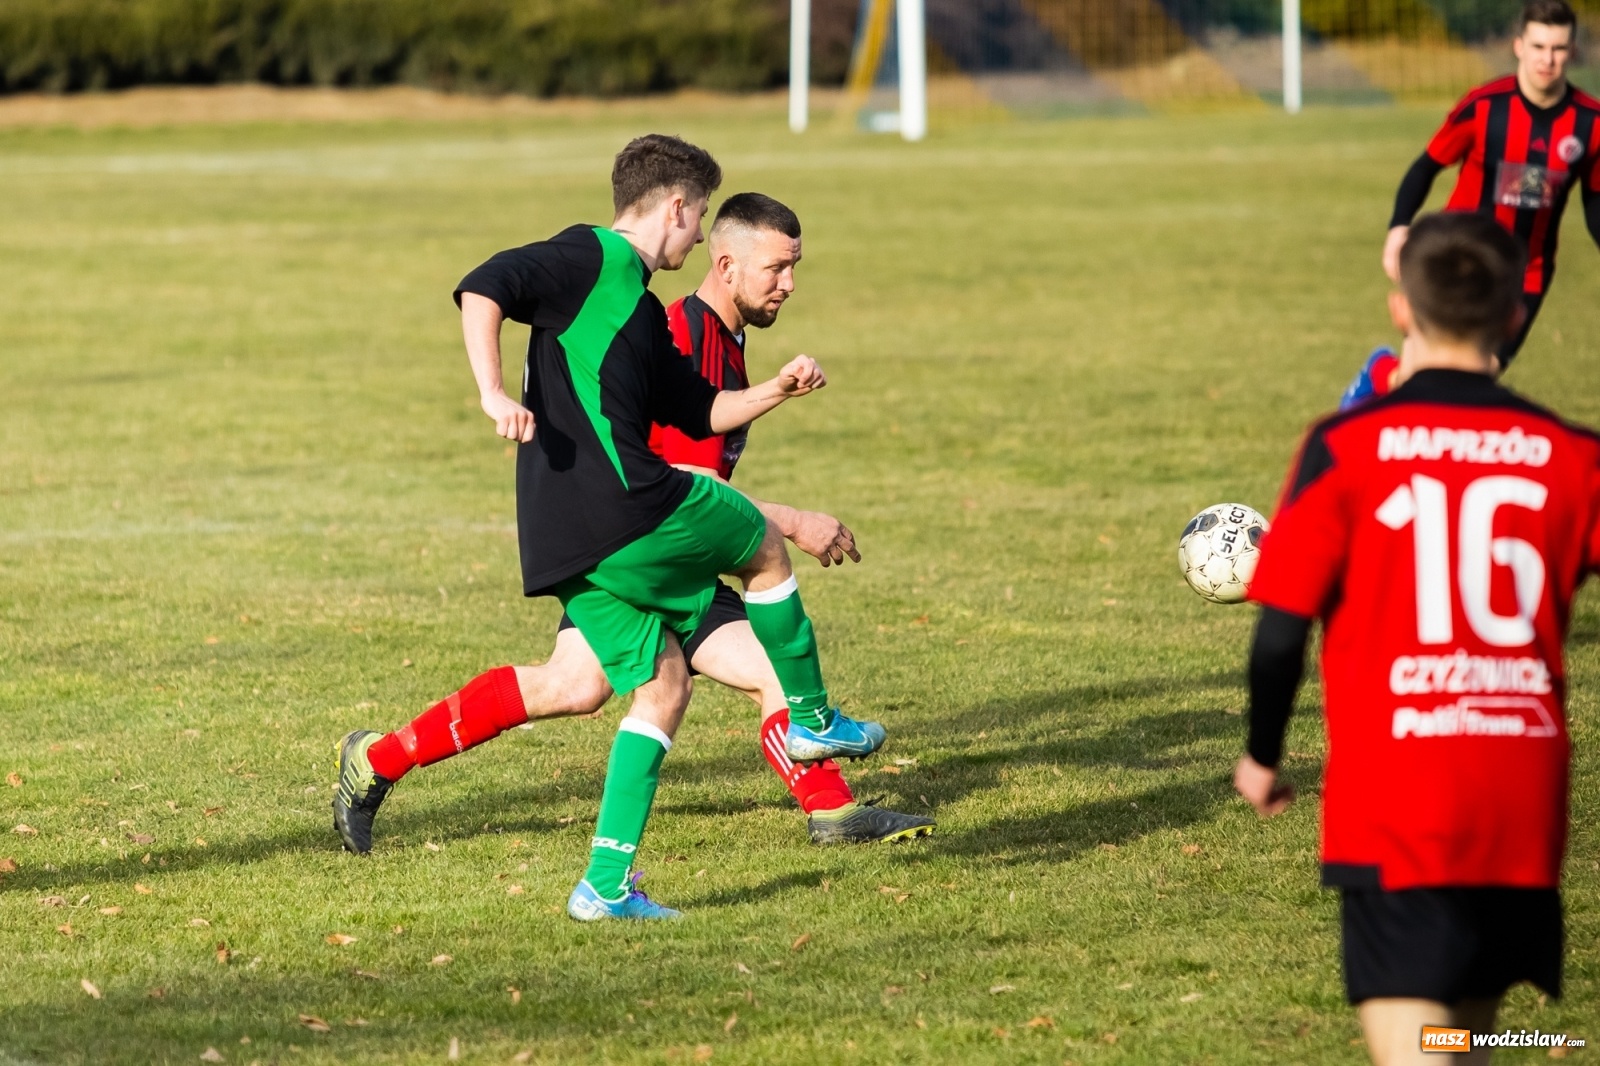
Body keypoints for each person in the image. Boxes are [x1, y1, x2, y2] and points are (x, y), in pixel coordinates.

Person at [333, 135, 889, 921]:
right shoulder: (589, 258)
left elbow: (699, 408)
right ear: (676, 206)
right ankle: (812, 723)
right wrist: (492, 393)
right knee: (762, 542)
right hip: (626, 506)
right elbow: (483, 286)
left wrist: (774, 388)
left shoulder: (638, 309)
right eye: (698, 221)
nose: (698, 237)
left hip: (577, 535)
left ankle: (603, 887)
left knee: (646, 686)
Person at [1238, 213, 1596, 1063]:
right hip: (1521, 797)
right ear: (1513, 316)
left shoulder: (1345, 447)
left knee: (1420, 1048)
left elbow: (1280, 634)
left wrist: (1260, 754)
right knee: (1463, 1034)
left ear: (1402, 311)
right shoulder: (1572, 454)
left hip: (1400, 797)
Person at [1345, 0, 1600, 407]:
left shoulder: (1591, 122)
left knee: (1484, 372)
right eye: (1538, 47)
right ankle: (1382, 374)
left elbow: (1596, 205)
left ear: (1572, 52)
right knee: (1425, 375)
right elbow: (1425, 167)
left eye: (1557, 49)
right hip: (1456, 255)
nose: (1547, 60)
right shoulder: (1484, 107)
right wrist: (1398, 228)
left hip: (1526, 270)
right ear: (1519, 46)